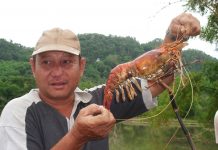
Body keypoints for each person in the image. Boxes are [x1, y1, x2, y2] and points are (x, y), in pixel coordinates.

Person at [0, 12, 200, 150]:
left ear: (82, 66)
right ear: (33, 67)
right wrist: (78, 136)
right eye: (47, 63)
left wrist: (173, 36)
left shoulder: (102, 98)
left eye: (67, 62)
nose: (57, 72)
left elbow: (160, 79)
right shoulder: (18, 111)